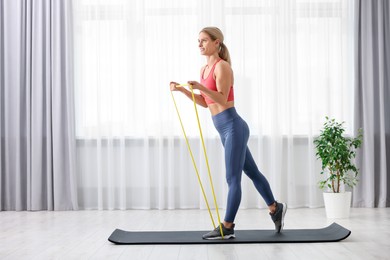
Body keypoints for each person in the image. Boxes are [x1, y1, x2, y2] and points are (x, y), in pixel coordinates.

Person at [170, 27, 287, 240]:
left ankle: (228, 225)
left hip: (234, 126)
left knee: (232, 178)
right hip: (224, 129)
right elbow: (206, 104)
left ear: (217, 43)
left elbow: (223, 99)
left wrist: (201, 88)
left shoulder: (222, 67)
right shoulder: (203, 70)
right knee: (252, 172)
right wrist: (184, 91)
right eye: (198, 41)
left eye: (204, 40)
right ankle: (275, 207)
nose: (199, 44)